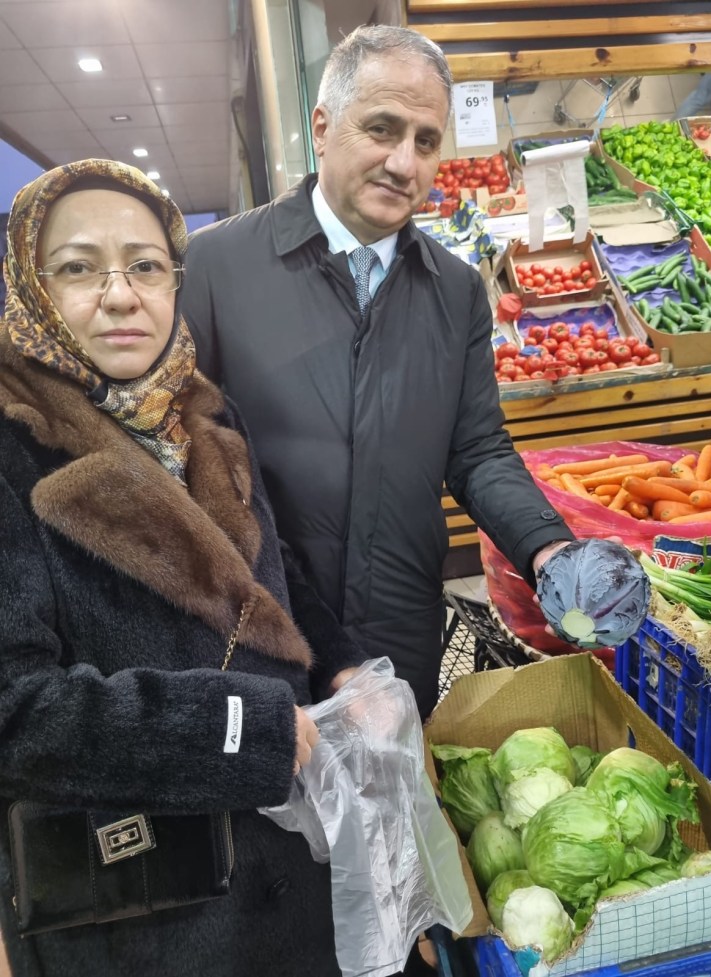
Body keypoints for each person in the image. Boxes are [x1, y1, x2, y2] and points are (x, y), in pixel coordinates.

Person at [0, 158, 371, 977]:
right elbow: (14, 713)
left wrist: (340, 664)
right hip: (138, 910)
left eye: (144, 265)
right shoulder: (12, 449)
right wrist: (235, 728)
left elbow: (266, 576)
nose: (120, 295)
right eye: (77, 268)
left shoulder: (204, 414)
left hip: (284, 874)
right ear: (29, 285)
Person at [180, 24, 579, 721]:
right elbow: (180, 453)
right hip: (262, 625)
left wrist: (548, 547)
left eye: (426, 141)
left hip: (401, 625)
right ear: (323, 127)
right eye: (382, 129)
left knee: (396, 778)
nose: (404, 162)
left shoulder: (455, 290)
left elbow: (477, 450)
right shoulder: (215, 266)